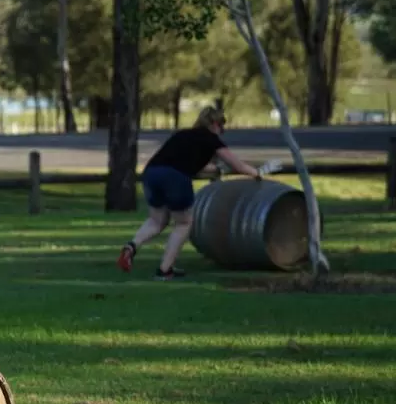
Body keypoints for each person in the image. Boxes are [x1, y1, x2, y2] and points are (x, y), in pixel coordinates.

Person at [116, 106, 281, 280]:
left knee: (157, 220)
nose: (222, 131)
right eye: (222, 126)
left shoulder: (183, 134)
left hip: (151, 173)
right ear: (215, 123)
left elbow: (191, 166)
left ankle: (131, 246)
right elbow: (237, 165)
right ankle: (165, 270)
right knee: (183, 223)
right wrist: (258, 172)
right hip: (175, 177)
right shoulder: (211, 139)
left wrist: (215, 170)